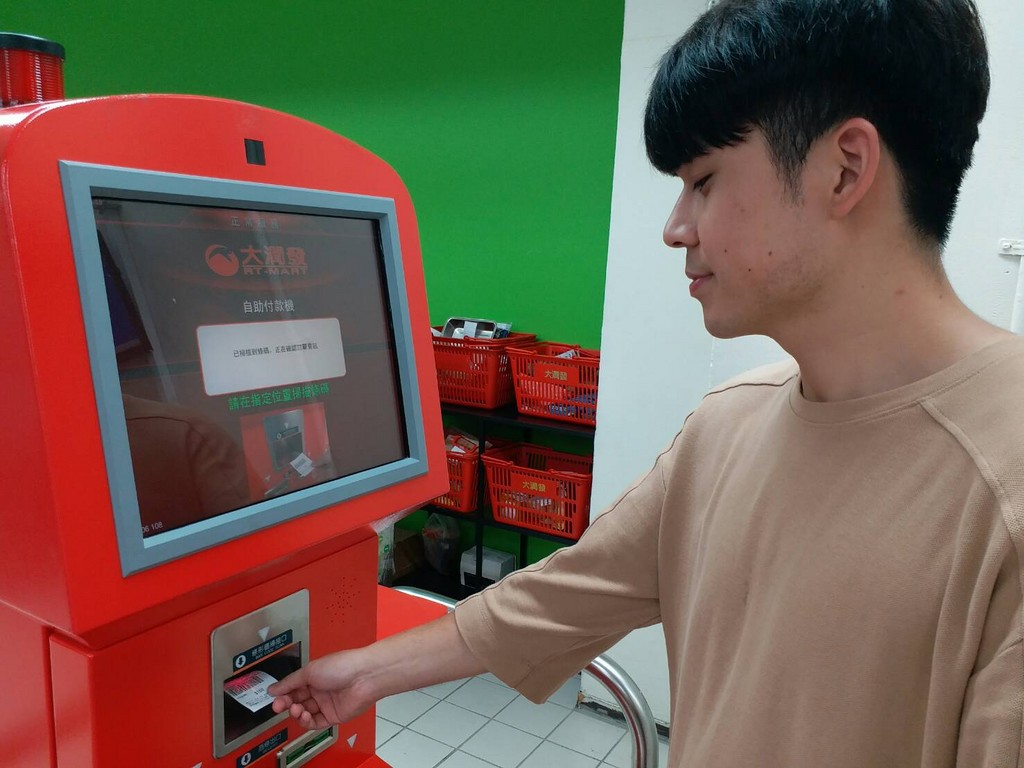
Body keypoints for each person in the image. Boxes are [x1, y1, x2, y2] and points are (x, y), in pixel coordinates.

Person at [270, 1, 1024, 764]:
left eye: (703, 181)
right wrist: (365, 673)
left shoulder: (1004, 478)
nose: (675, 227)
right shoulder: (729, 425)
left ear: (845, 169)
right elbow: (564, 595)